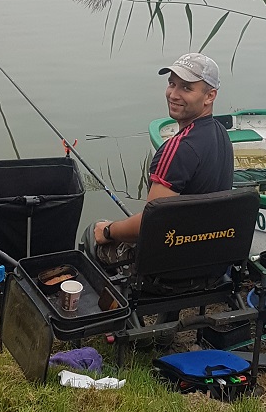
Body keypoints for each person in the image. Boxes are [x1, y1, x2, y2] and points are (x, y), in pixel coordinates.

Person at [83, 53, 233, 269]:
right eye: (172, 84)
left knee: (92, 234)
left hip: (173, 265)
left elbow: (151, 224)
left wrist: (108, 230)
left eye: (186, 88)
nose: (174, 94)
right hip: (213, 258)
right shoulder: (220, 133)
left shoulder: (177, 149)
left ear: (210, 96)